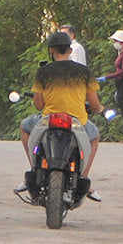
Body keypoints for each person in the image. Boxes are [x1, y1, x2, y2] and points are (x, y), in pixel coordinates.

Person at [20, 30, 102, 201]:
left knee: (24, 127)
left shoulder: (44, 72)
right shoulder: (84, 72)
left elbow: (38, 104)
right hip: (77, 121)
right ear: (70, 50)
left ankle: (34, 169)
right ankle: (84, 177)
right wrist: (100, 109)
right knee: (94, 137)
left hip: (49, 119)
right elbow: (94, 105)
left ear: (51, 50)